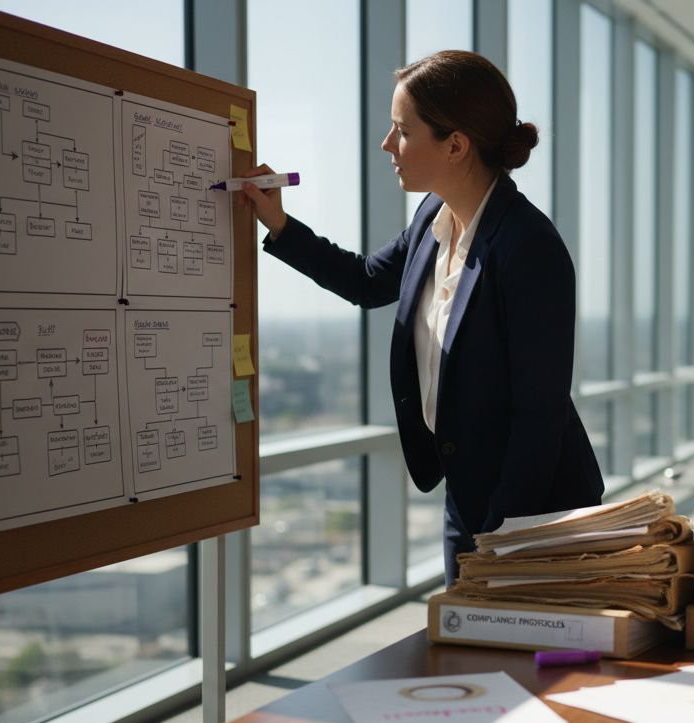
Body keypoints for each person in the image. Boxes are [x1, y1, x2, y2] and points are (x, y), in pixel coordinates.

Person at [237, 50, 604, 585]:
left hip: (536, 510)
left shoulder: (529, 247)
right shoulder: (433, 216)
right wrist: (278, 222)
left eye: (401, 131)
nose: (388, 145)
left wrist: (501, 536)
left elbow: (538, 417)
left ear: (455, 145)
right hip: (467, 497)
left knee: (528, 663)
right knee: (470, 647)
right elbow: (365, 280)